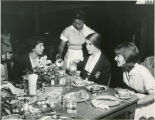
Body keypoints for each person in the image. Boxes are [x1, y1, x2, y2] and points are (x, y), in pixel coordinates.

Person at [114, 42, 155, 120]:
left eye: (117, 56)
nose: (115, 58)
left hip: (149, 105)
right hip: (136, 100)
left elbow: (154, 95)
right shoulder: (125, 69)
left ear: (126, 57)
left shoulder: (142, 71)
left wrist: (135, 103)